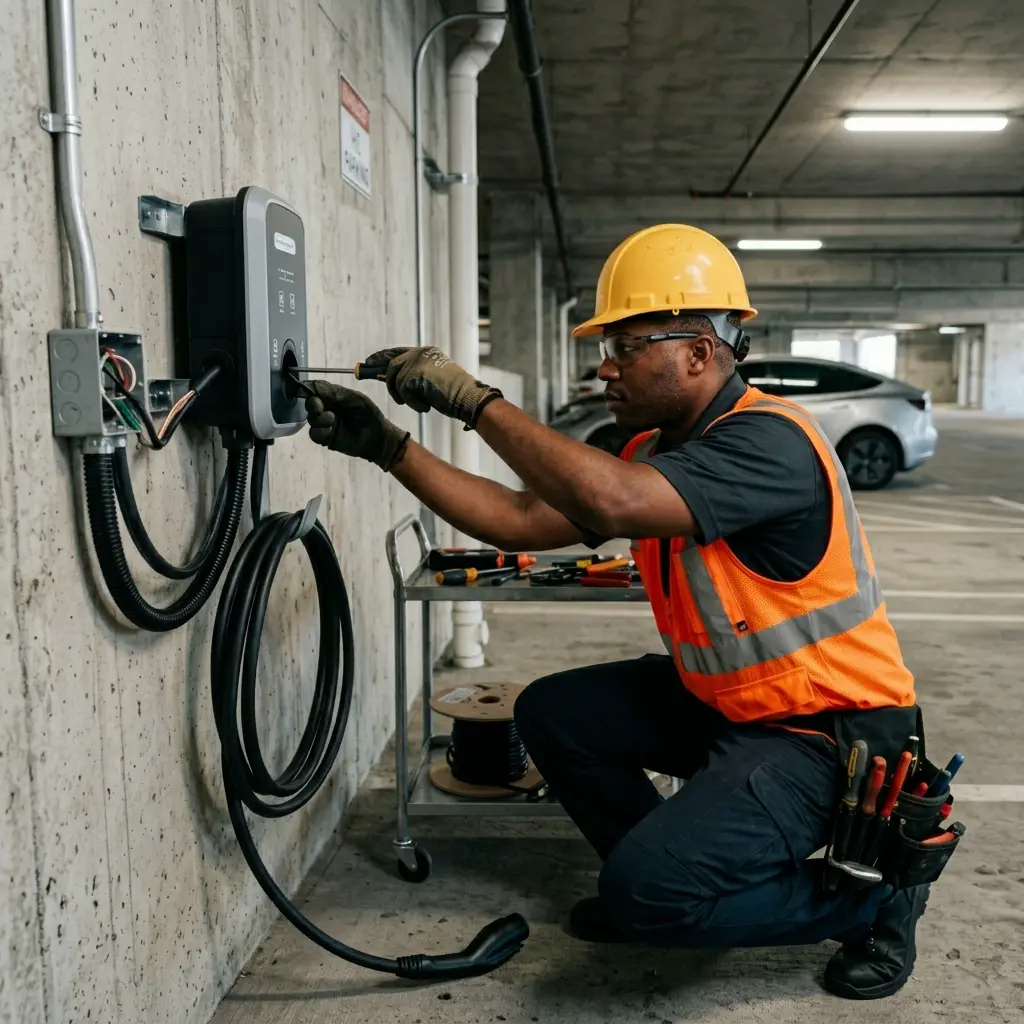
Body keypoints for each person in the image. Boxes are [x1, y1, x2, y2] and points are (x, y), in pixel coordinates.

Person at [303, 224, 933, 1001]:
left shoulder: (770, 443)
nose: (606, 366)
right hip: (737, 709)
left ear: (700, 352)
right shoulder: (659, 451)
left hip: (830, 736)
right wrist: (391, 448)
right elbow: (523, 518)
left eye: (628, 345)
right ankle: (663, 878)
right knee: (555, 714)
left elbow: (610, 500)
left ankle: (872, 899)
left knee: (648, 896)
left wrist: (474, 402)